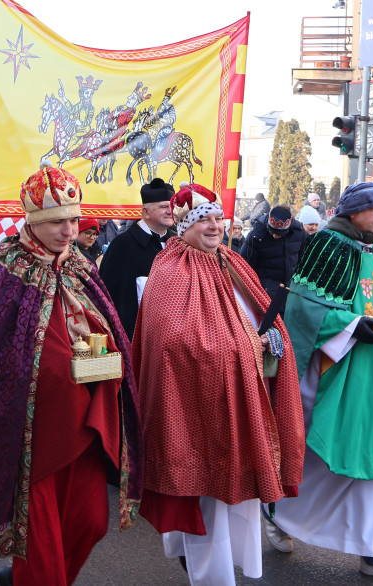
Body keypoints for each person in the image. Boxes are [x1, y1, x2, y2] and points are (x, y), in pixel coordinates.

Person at [0, 163, 143, 584]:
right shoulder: (0, 271)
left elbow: (105, 339)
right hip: (30, 440)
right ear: (33, 221)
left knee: (91, 522)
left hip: (85, 431)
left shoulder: (81, 268)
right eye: (58, 222)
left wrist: (100, 361)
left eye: (74, 221)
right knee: (40, 546)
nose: (68, 230)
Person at [134, 182, 304, 585]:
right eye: (203, 219)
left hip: (246, 392)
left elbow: (261, 315)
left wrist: (271, 339)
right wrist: (244, 344)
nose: (213, 226)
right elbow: (174, 340)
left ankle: (224, 567)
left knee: (235, 500)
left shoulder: (231, 260)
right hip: (199, 404)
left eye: (217, 218)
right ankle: (210, 574)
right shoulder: (171, 268)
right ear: (184, 225)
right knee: (206, 498)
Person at [272, 181, 373, 586]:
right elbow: (304, 308)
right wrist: (354, 326)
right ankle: (281, 514)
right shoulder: (327, 245)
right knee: (322, 457)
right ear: (353, 210)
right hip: (340, 367)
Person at [98, 178, 175, 341]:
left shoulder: (177, 243)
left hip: (169, 337)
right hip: (135, 339)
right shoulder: (123, 245)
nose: (170, 211)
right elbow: (112, 300)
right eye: (163, 207)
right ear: (145, 212)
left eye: (172, 206)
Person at [240, 205, 307, 297]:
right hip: (264, 293)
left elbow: (303, 260)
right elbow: (245, 267)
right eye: (272, 232)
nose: (275, 236)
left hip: (291, 290)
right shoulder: (256, 236)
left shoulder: (299, 232)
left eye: (279, 234)